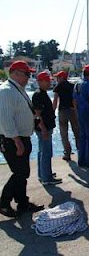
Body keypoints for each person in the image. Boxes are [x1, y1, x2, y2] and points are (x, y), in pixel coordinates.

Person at [0, 61, 44, 217]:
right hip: (13, 140)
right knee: (20, 173)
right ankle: (3, 203)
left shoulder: (17, 90)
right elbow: (6, 119)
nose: (28, 77)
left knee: (22, 173)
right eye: (27, 74)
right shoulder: (6, 91)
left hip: (21, 137)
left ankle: (22, 203)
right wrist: (17, 141)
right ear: (16, 73)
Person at [32, 72, 62, 185]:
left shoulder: (41, 93)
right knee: (46, 152)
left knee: (42, 151)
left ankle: (43, 174)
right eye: (47, 81)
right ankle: (46, 177)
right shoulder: (39, 95)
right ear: (40, 82)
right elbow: (37, 114)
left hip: (44, 127)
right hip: (44, 128)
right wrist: (43, 128)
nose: (50, 83)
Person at [73, 65, 89, 168]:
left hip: (80, 113)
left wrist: (76, 112)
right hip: (88, 113)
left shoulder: (77, 84)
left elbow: (74, 101)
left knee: (82, 137)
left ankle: (81, 159)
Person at [52, 70, 80, 161]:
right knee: (77, 132)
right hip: (73, 110)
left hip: (63, 111)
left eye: (57, 78)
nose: (56, 79)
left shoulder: (58, 87)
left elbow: (55, 100)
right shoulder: (72, 86)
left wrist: (53, 111)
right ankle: (80, 150)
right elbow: (76, 99)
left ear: (61, 78)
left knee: (64, 133)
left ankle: (67, 153)